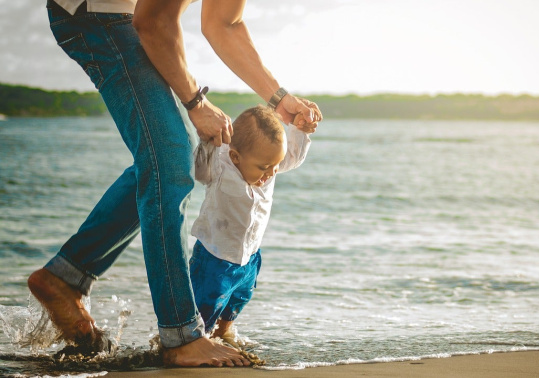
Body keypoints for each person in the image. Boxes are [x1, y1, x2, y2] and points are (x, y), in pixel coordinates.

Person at [27, 0, 322, 368]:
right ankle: (181, 335)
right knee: (169, 159)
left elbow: (225, 24)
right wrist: (196, 102)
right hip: (95, 13)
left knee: (167, 161)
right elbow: (152, 22)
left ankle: (65, 277)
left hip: (118, 15)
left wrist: (280, 99)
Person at [189, 105, 313, 345]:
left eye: (275, 165)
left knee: (239, 298)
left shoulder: (268, 162)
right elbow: (198, 169)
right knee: (205, 305)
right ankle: (196, 343)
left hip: (250, 256)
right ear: (235, 156)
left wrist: (300, 129)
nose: (271, 173)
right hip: (215, 257)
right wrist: (206, 140)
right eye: (264, 168)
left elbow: (293, 156)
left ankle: (223, 333)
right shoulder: (220, 165)